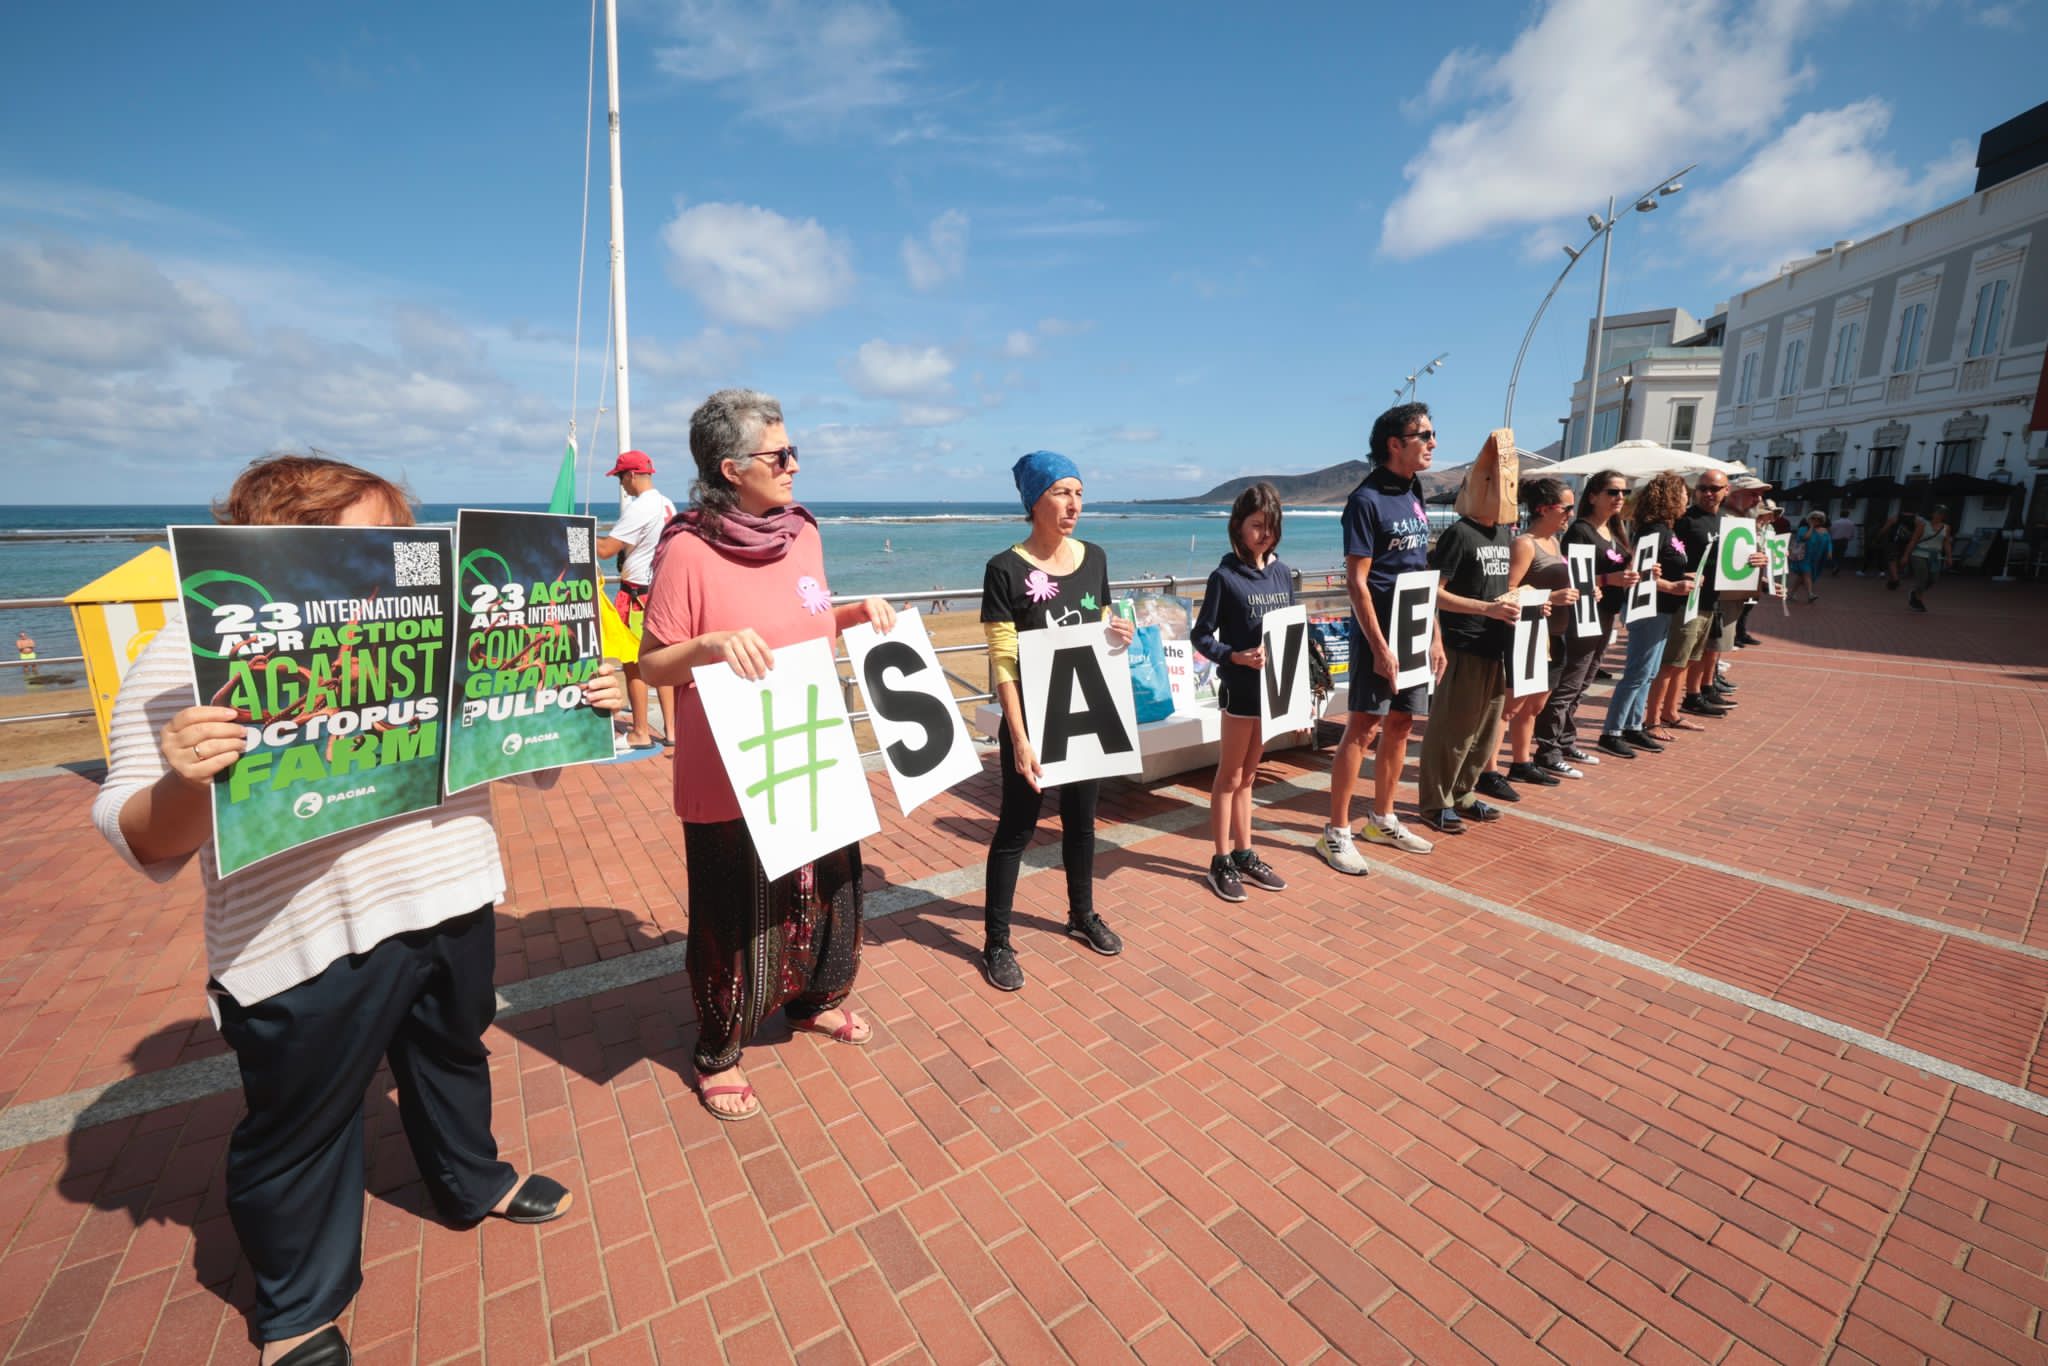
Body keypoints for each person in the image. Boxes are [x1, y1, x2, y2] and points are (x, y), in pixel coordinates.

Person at [91, 455, 615, 1366]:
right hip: (297, 934)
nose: (391, 558)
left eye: (399, 536)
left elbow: (534, 761)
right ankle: (298, 1306)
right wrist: (185, 779)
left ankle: (469, 1181)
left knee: (455, 1052)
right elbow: (141, 839)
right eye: (363, 538)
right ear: (276, 546)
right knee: (301, 1122)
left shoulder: (452, 625)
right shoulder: (192, 644)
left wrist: (580, 700)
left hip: (451, 892)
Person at [636, 390, 890, 1122]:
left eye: (792, 451)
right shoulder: (686, 549)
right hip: (729, 769)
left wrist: (854, 612)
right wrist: (710, 647)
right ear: (730, 466)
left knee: (827, 892)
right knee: (734, 914)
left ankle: (814, 1000)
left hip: (812, 750)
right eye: (779, 456)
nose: (793, 466)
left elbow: (811, 623)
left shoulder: (802, 534)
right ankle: (718, 1051)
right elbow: (654, 666)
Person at [977, 450, 1135, 990]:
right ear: (1034, 501)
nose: (1073, 504)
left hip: (1084, 711)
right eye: (1061, 492)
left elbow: (1103, 622)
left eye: (1079, 493)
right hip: (1031, 717)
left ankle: (1081, 914)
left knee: (1082, 822)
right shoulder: (1005, 569)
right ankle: (996, 941)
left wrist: (1121, 631)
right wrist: (1017, 737)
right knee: (1016, 829)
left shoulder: (1095, 556)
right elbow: (1002, 660)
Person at [1319, 402, 1441, 875]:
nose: (1433, 442)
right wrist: (1378, 646)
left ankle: (1383, 818)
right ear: (1395, 443)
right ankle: (1336, 832)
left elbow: (1420, 569)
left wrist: (1434, 634)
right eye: (1425, 435)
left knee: (1403, 723)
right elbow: (1357, 582)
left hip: (1414, 626)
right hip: (1379, 631)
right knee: (1364, 726)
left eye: (1433, 433)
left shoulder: (1415, 490)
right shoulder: (1364, 501)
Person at [1415, 431, 1524, 835]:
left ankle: (1464, 792)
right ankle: (1434, 801)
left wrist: (1525, 600)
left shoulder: (1502, 533)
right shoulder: (1459, 534)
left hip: (1495, 644)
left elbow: (1499, 587)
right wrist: (1483, 611)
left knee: (1484, 730)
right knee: (1452, 729)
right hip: (1464, 643)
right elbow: (1434, 593)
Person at [1192, 483, 1296, 901]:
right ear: (1238, 526)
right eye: (1256, 526)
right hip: (1239, 690)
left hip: (1272, 692)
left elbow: (1291, 631)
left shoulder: (1282, 572)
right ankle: (1220, 860)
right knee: (1230, 776)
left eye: (1270, 527)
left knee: (1250, 776)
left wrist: (1298, 693)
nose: (1264, 535)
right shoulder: (1224, 577)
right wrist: (1233, 657)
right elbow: (1201, 635)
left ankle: (1245, 852)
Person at [1538, 469, 1636, 767]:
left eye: (1624, 492)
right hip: (1583, 614)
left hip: (1607, 614)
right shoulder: (1580, 531)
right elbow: (1573, 577)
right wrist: (1609, 580)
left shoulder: (1616, 531)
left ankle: (1565, 741)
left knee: (1585, 680)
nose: (1620, 497)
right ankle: (1547, 749)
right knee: (1571, 681)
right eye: (1613, 492)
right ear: (1593, 496)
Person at [1602, 471, 1694, 755]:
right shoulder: (1654, 530)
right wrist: (1672, 585)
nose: (1687, 498)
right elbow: (1640, 573)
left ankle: (1632, 726)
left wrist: (1686, 577)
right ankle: (1612, 731)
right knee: (1637, 672)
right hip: (1649, 608)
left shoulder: (1666, 529)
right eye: (1683, 493)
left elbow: (1657, 568)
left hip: (1663, 609)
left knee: (1649, 672)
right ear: (1669, 497)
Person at [594, 450, 677, 750]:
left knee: (634, 663)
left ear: (630, 475)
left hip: (639, 596)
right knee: (664, 662)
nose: (621, 485)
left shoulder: (641, 506)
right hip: (661, 591)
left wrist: (573, 537)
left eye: (620, 478)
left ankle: (640, 732)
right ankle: (672, 730)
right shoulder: (667, 504)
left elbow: (605, 550)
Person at [1501, 478, 1581, 784]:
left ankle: (1521, 762)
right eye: (1567, 508)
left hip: (1555, 634)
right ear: (1545, 508)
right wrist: (1551, 598)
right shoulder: (1524, 544)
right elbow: (1507, 591)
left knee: (1536, 704)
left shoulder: (1554, 542)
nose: (1570, 514)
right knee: (1515, 705)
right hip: (1531, 635)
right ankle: (1496, 766)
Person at [1905, 505, 1954, 612]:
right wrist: (1906, 555)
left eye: (1942, 513)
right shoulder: (1923, 525)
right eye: (1937, 512)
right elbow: (1913, 540)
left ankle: (1915, 592)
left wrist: (1949, 557)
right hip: (1920, 554)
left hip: (1935, 556)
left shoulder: (1946, 527)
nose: (1939, 515)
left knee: (1933, 579)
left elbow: (1946, 543)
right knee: (1922, 577)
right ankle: (1918, 601)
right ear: (1933, 514)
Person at [1789, 511, 1833, 603]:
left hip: (1816, 557)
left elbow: (1829, 542)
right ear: (1809, 519)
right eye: (1813, 518)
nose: (1816, 520)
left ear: (1822, 520)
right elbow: (1805, 538)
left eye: (1818, 519)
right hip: (1804, 556)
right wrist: (1811, 527)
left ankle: (1791, 594)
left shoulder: (1825, 531)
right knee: (1807, 574)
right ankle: (1810, 594)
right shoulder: (1803, 529)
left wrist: (1829, 552)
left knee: (1802, 576)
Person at [1829, 510, 1857, 577]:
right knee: (1841, 555)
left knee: (1833, 555)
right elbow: (1852, 534)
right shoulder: (1851, 523)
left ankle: (1835, 566)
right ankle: (1837, 566)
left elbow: (1831, 531)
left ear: (1840, 515)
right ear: (1848, 515)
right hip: (1845, 541)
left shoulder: (1835, 522)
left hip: (1835, 540)